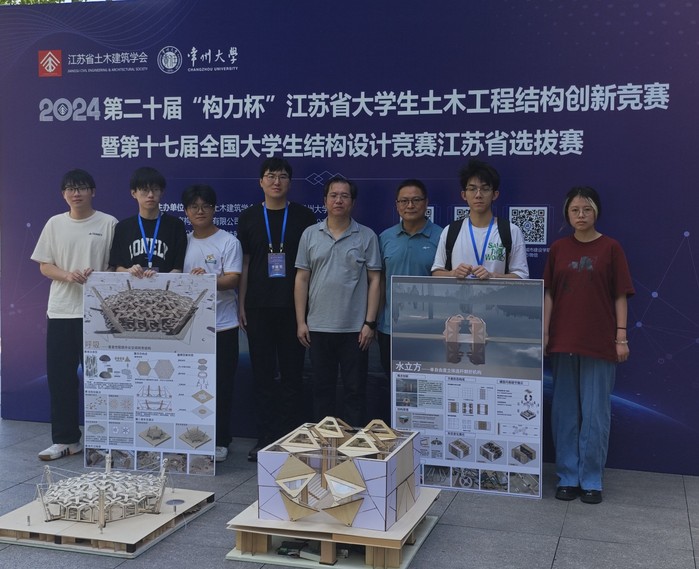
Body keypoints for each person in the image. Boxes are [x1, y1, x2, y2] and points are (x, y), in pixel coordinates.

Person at [544, 186, 634, 504]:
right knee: (564, 414)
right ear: (567, 214)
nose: (580, 215)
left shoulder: (611, 248)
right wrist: (544, 333)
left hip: (599, 342)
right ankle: (567, 477)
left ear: (596, 212)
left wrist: (621, 337)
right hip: (563, 340)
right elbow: (549, 294)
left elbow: (620, 294)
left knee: (596, 415)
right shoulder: (558, 248)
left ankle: (592, 479)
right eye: (575, 210)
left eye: (587, 209)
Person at [31, 169, 117, 461]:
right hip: (61, 311)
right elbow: (45, 265)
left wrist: (98, 274)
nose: (76, 193)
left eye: (81, 188)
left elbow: (116, 265)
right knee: (61, 378)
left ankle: (106, 440)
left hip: (99, 314)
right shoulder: (54, 224)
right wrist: (68, 275)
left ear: (93, 191)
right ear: (63, 194)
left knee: (103, 379)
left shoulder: (108, 223)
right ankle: (66, 440)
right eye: (70, 189)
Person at [237, 157, 317, 461]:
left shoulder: (304, 217)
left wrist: (305, 312)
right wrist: (242, 303)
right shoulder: (248, 217)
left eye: (282, 176)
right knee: (263, 375)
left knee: (293, 375)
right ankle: (266, 437)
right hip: (258, 306)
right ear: (261, 182)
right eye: (270, 176)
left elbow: (309, 268)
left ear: (290, 182)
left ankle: (293, 437)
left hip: (293, 308)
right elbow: (245, 264)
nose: (276, 181)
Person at [295, 176, 382, 427]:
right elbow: (301, 278)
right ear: (325, 201)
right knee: (322, 390)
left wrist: (370, 323)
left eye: (345, 196)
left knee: (355, 391)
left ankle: (353, 441)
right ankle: (325, 442)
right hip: (318, 327)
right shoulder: (310, 234)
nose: (339, 200)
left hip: (355, 330)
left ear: (352, 202)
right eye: (333, 195)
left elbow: (375, 280)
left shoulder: (366, 236)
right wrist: (301, 321)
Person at [182, 184, 242, 463]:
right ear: (186, 211)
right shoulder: (183, 242)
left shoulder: (228, 241)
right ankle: (192, 435)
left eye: (206, 206)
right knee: (191, 388)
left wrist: (206, 280)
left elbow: (233, 278)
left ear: (214, 209)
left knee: (221, 386)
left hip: (223, 326)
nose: (200, 211)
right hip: (189, 328)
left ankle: (220, 440)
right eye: (194, 206)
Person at [375, 179, 441, 421]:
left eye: (415, 200)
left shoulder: (442, 236)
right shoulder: (385, 237)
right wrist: (375, 321)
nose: (410, 205)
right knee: (397, 389)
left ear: (426, 203)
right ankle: (399, 436)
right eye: (404, 201)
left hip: (429, 331)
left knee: (428, 390)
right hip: (391, 329)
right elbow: (379, 282)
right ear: (396, 205)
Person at [431, 159, 529, 279]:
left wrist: (493, 276)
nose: (478, 195)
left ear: (495, 194)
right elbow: (436, 272)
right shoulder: (451, 231)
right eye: (472, 189)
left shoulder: (511, 231)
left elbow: (522, 276)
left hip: (498, 292)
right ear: (464, 195)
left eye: (485, 189)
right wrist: (453, 273)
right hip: (458, 292)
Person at [109, 166, 187, 276]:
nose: (150, 195)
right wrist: (129, 271)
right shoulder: (123, 227)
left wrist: (160, 279)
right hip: (131, 286)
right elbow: (117, 267)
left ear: (162, 192)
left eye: (155, 189)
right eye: (145, 190)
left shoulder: (176, 225)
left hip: (166, 286)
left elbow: (179, 268)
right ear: (133, 193)